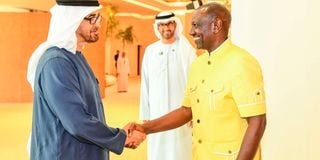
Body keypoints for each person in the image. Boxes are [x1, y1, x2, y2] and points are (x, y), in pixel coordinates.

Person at [131, 2, 267, 160]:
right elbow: (186, 111)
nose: (190, 31)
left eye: (196, 25)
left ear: (216, 25)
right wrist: (144, 128)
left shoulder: (241, 62)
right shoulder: (197, 65)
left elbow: (258, 122)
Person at [26, 0, 145, 159]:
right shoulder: (57, 62)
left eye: (98, 18)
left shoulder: (75, 57)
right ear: (71, 20)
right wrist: (120, 137)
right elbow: (76, 121)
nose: (98, 24)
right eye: (91, 18)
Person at [139, 11, 196, 160]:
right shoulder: (150, 51)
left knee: (180, 150)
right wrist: (145, 114)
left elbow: (194, 81)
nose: (166, 28)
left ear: (175, 24)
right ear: (157, 28)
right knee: (158, 148)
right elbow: (145, 83)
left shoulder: (186, 50)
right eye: (162, 25)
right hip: (156, 112)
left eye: (169, 23)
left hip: (180, 111)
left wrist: (193, 111)